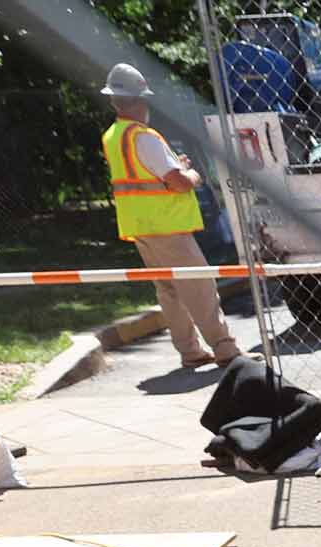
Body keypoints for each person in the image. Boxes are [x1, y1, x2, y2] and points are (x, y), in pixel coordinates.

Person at [100, 62, 240, 371]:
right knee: (199, 286)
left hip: (141, 227)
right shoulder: (144, 136)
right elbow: (176, 182)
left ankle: (190, 351)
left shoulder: (113, 136)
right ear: (140, 100)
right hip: (167, 226)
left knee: (169, 290)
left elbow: (142, 175)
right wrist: (191, 174)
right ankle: (225, 349)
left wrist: (175, 166)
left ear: (113, 100)